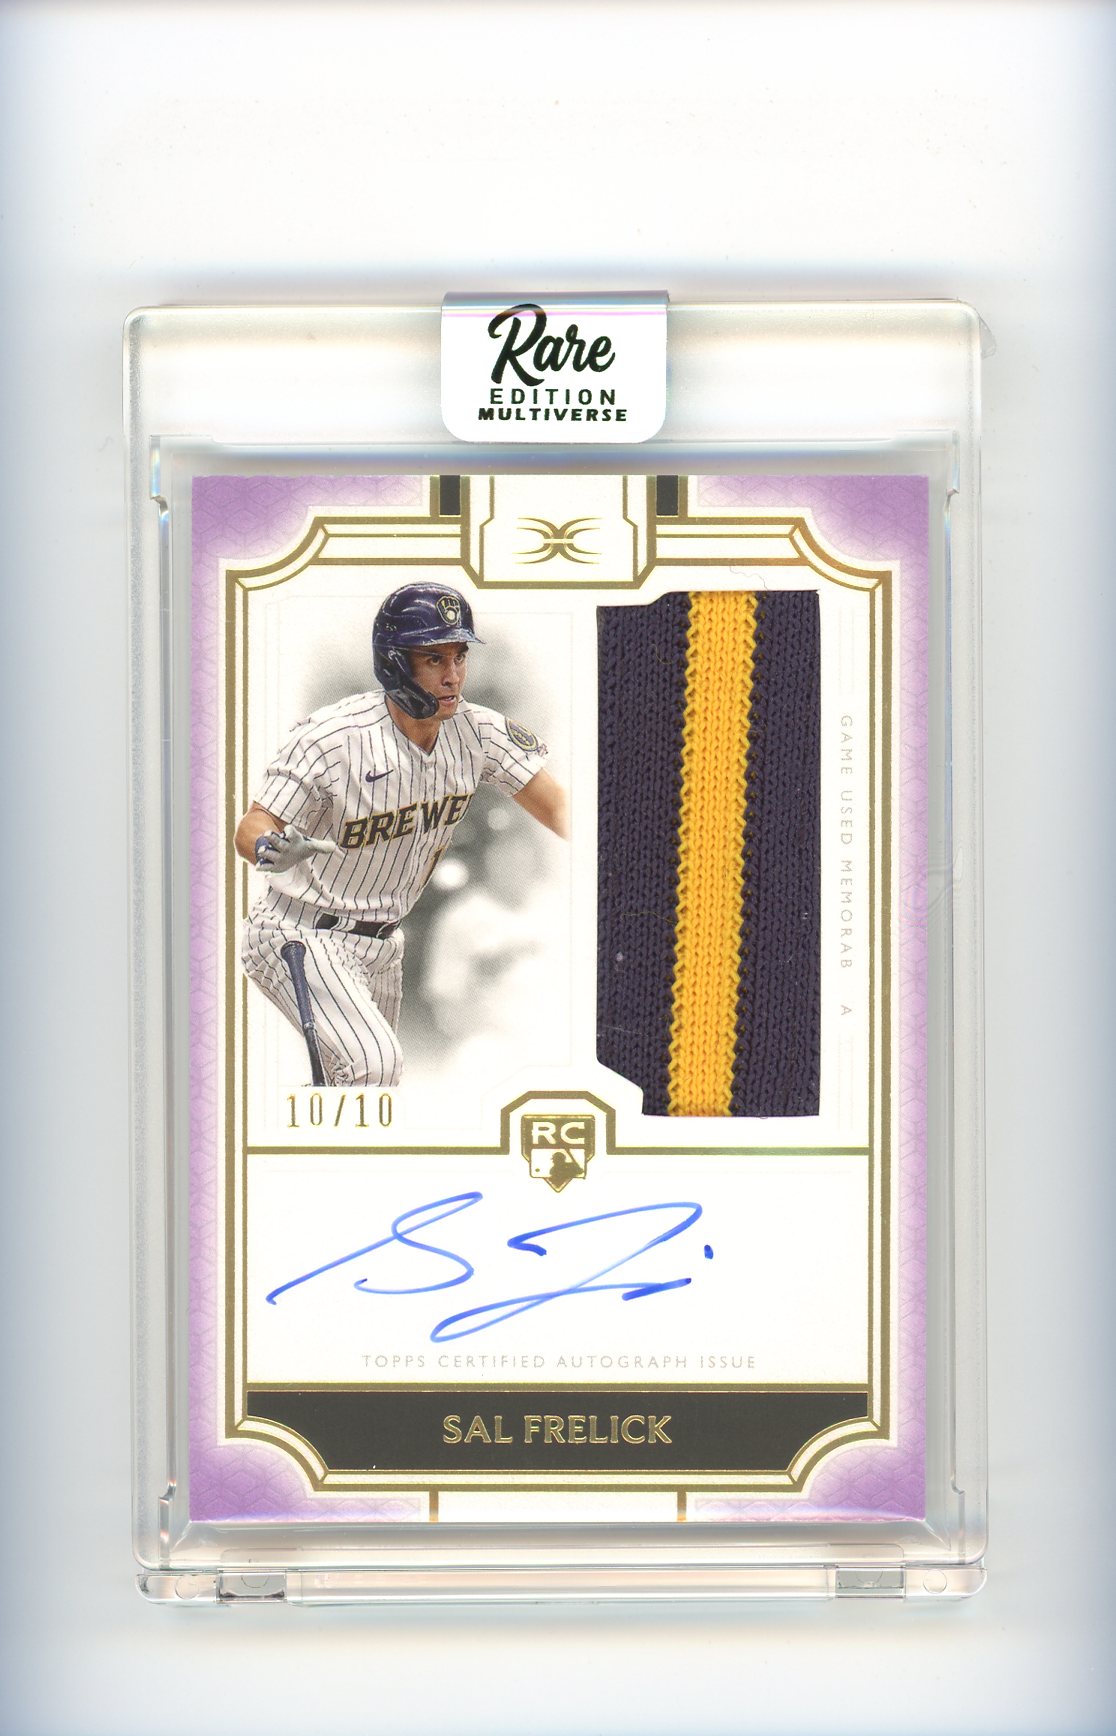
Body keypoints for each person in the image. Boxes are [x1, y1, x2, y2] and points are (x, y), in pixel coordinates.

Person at [234, 582, 567, 1086]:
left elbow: (566, 810)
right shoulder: (333, 736)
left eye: (459, 657)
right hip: (300, 931)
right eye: (434, 659)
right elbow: (253, 824)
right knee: (374, 1065)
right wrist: (270, 848)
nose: (453, 675)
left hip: (384, 942)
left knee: (373, 1087)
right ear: (394, 663)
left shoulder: (479, 732)